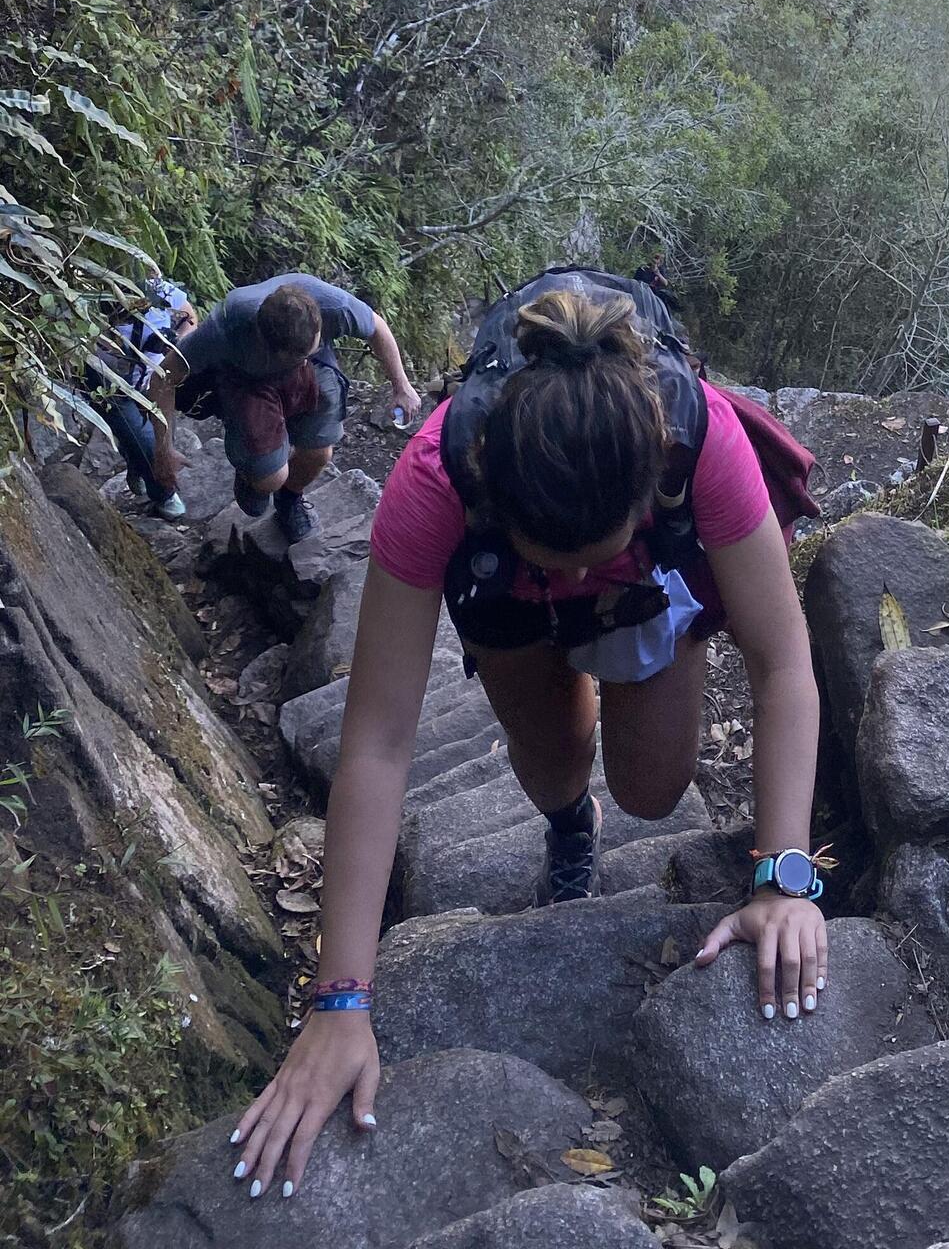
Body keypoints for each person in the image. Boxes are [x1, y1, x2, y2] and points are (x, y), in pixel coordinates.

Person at [228, 272, 824, 1201]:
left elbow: (784, 660)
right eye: (567, 553)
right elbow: (378, 742)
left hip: (643, 587)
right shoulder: (434, 480)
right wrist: (341, 998)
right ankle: (567, 827)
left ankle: (627, 681)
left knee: (654, 792)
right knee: (552, 768)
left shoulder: (695, 440)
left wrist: (784, 875)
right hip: (502, 588)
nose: (579, 564)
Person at [150, 272, 420, 544]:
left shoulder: (333, 307)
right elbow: (164, 377)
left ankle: (290, 499)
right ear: (265, 342)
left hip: (315, 365)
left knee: (320, 452)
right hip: (248, 379)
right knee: (268, 482)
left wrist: (402, 386)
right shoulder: (226, 328)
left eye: (310, 349)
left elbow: (377, 327)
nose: (303, 362)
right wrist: (164, 448)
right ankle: (254, 473)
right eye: (300, 356)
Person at [86, 275, 198, 520]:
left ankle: (137, 464)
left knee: (161, 433)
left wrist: (178, 347)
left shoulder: (155, 290)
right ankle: (165, 493)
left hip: (154, 378)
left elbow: (188, 316)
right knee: (142, 439)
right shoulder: (90, 309)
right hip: (109, 383)